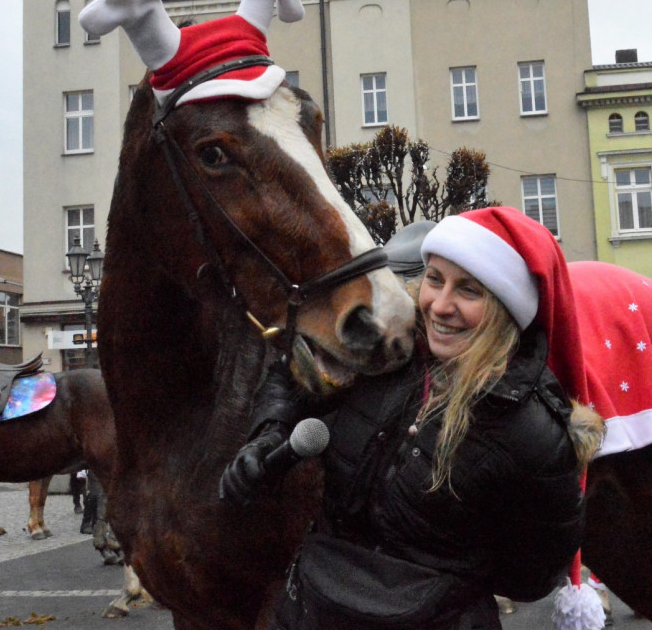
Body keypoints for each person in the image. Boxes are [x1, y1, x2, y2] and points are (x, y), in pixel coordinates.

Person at [220, 207, 592, 630]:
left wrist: (448, 572)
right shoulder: (383, 343)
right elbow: (293, 375)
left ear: (507, 310)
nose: (440, 305)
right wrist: (269, 434)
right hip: (314, 610)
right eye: (434, 279)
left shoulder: (533, 433)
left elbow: (533, 575)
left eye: (468, 291)